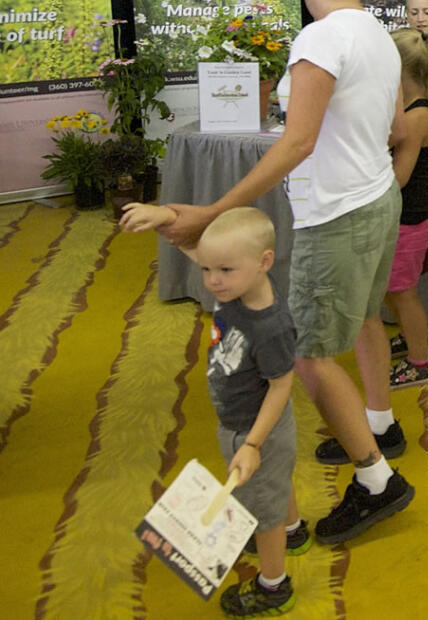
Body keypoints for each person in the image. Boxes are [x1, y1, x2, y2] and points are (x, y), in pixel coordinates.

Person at [161, 0, 414, 545]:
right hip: (376, 198)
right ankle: (374, 425)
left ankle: (378, 478)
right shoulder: (379, 35)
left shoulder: (321, 40)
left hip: (339, 216)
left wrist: (213, 211)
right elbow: (379, 130)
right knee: (357, 323)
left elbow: (297, 140)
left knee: (307, 356)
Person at [119, 206, 303, 617]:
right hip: (237, 421)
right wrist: (162, 217)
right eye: (206, 270)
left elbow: (281, 386)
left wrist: (253, 444)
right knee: (273, 487)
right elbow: (190, 245)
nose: (212, 281)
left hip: (257, 430)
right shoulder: (238, 286)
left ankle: (274, 585)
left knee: (262, 512)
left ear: (264, 263)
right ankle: (293, 529)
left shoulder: (270, 327)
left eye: (223, 270)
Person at [385, 28, 428, 389]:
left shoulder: (418, 115)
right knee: (393, 289)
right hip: (406, 218)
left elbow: (399, 178)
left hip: (410, 220)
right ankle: (412, 336)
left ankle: (420, 360)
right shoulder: (407, 105)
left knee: (401, 291)